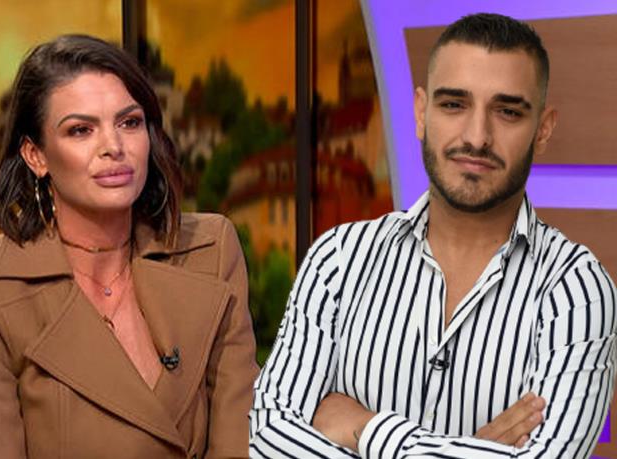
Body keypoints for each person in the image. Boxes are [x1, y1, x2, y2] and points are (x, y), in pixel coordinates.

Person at [250, 13, 616, 458]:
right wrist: (473, 450)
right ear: (421, 112)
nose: (477, 137)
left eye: (507, 112)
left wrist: (367, 428)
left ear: (543, 128)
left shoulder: (577, 291)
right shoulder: (339, 259)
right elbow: (267, 435)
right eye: (454, 105)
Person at [0, 34, 258, 459]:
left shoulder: (210, 249)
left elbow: (241, 440)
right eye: (81, 130)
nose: (114, 148)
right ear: (35, 155)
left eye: (129, 123)